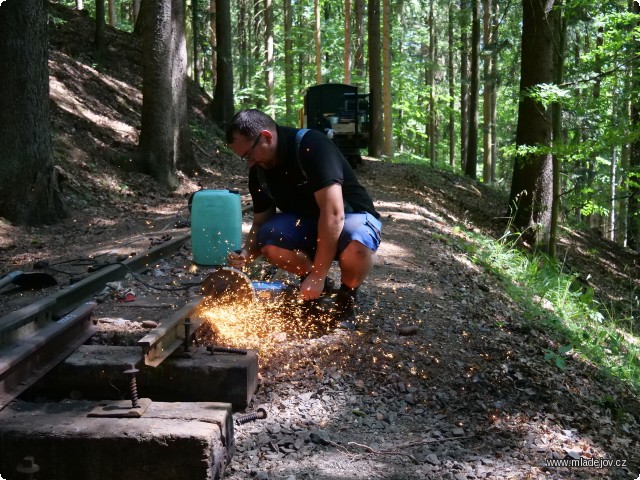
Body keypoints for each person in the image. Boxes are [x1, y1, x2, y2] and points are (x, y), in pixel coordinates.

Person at [225, 109, 382, 327]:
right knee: (269, 240)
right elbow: (261, 221)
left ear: (266, 137)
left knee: (357, 242)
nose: (249, 163)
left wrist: (318, 273)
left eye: (249, 155)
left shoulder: (312, 147)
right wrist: (245, 254)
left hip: (349, 217)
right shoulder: (259, 171)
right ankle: (316, 289)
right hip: (309, 226)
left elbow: (334, 215)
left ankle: (346, 300)